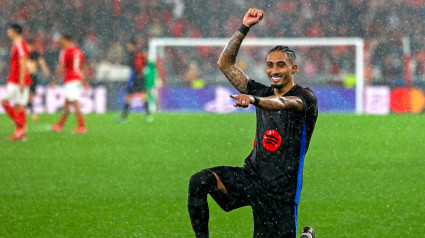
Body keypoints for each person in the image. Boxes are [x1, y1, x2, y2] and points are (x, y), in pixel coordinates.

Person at [188, 9, 318, 238]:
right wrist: (244, 27)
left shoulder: (306, 97)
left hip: (281, 191)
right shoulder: (262, 90)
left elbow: (283, 102)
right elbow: (225, 64)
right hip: (251, 178)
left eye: (280, 65)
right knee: (200, 181)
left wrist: (255, 100)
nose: (274, 71)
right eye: (270, 65)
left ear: (293, 69)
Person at [50, 34, 88, 134]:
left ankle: (82, 126)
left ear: (66, 40)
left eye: (62, 40)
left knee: (75, 103)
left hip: (70, 79)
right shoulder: (78, 51)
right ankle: (59, 125)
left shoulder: (65, 51)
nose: (60, 42)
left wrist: (54, 80)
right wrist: (85, 81)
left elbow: (61, 67)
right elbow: (83, 67)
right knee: (67, 103)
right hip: (77, 79)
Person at [1, 23, 31, 141]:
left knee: (4, 102)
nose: (8, 32)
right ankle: (21, 133)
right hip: (17, 79)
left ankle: (21, 127)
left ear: (14, 31)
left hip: (17, 80)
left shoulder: (19, 44)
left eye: (9, 30)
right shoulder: (18, 44)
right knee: (19, 105)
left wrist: (22, 80)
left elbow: (23, 62)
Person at [116, 39, 151, 123]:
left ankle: (124, 117)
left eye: (129, 45)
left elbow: (132, 65)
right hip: (140, 77)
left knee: (129, 97)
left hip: (135, 77)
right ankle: (148, 116)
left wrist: (122, 63)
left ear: (133, 45)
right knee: (143, 96)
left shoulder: (134, 54)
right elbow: (145, 64)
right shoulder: (140, 53)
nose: (128, 46)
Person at [27, 39, 51, 121]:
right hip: (25, 77)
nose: (28, 47)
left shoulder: (34, 54)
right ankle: (32, 113)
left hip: (33, 76)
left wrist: (45, 69)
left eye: (29, 46)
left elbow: (41, 62)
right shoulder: (23, 54)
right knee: (28, 96)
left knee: (31, 96)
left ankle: (29, 111)